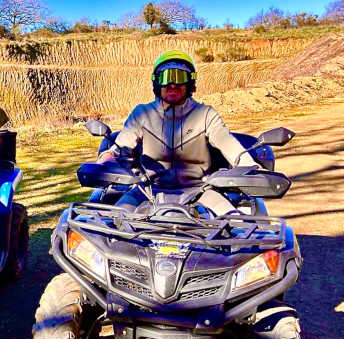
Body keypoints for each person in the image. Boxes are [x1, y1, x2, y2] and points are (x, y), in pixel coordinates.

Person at [98, 50, 261, 216]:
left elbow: (226, 142)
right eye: (166, 77)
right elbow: (123, 143)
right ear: (156, 83)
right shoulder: (142, 113)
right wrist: (107, 158)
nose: (172, 84)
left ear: (190, 83)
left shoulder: (205, 114)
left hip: (201, 190)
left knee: (237, 224)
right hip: (148, 189)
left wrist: (251, 167)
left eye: (180, 77)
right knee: (110, 221)